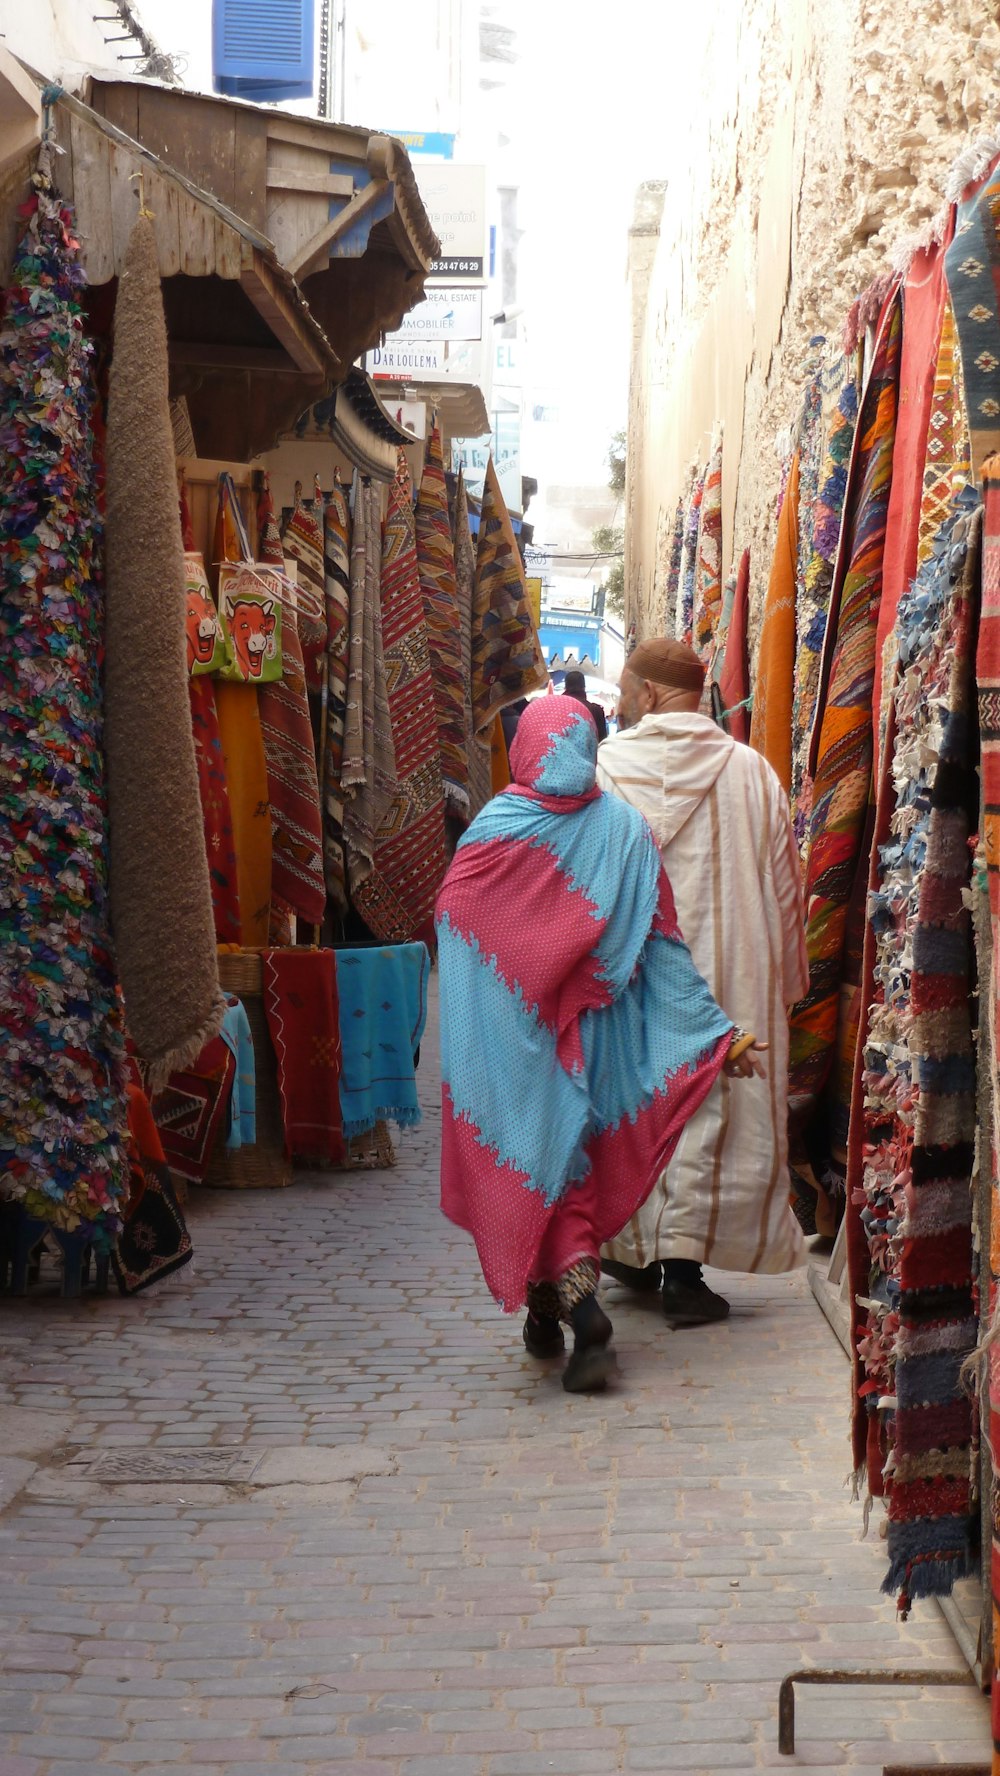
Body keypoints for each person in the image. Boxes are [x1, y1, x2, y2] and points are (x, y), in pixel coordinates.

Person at [435, 695, 765, 1393]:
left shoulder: (494, 830)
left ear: (524, 748)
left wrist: (517, 979)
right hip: (588, 1046)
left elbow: (455, 922)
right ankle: (558, 1313)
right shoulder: (623, 831)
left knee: (524, 1169)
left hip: (507, 1042)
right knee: (566, 1170)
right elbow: (664, 948)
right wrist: (717, 1036)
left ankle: (582, 1314)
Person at [596, 636, 808, 1326]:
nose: (622, 704)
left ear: (650, 694)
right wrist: (781, 982)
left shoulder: (599, 769)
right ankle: (681, 1273)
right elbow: (784, 891)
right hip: (726, 966)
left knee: (635, 1101)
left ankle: (633, 1249)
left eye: (627, 691)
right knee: (708, 1104)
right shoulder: (752, 773)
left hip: (630, 972)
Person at [562, 668, 608, 740]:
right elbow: (602, 740)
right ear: (584, 687)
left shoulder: (555, 708)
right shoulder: (595, 710)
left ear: (565, 687)